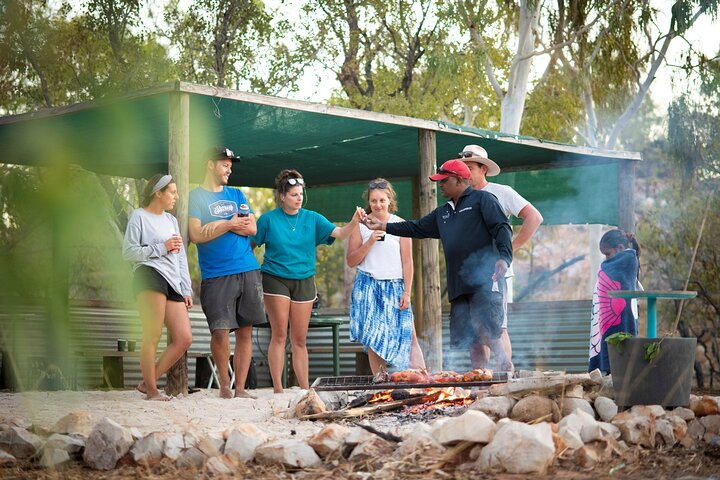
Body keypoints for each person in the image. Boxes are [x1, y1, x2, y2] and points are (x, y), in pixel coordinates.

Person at [363, 160, 513, 370]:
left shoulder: (483, 199)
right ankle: (481, 384)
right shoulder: (443, 212)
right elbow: (415, 227)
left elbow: (502, 227)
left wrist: (504, 258)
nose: (440, 185)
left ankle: (505, 367)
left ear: (460, 179)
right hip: (458, 283)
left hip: (485, 278)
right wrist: (382, 226)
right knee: (472, 340)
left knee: (487, 329)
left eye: (444, 181)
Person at [252, 169, 364, 393]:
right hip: (275, 279)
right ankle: (278, 389)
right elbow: (249, 247)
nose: (299, 198)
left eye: (301, 194)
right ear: (282, 196)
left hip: (304, 280)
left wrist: (354, 222)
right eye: (293, 194)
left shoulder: (312, 218)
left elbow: (341, 233)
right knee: (280, 334)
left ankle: (304, 390)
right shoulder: (267, 220)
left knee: (300, 339)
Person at [188, 147, 265, 399]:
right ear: (210, 164)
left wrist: (218, 226)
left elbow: (252, 228)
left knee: (246, 330)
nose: (229, 169)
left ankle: (240, 389)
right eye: (225, 164)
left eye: (231, 165)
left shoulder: (236, 193)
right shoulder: (195, 197)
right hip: (216, 274)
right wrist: (230, 224)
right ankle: (224, 386)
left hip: (248, 268)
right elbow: (197, 234)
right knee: (220, 331)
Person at [460, 144, 544, 372]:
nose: (465, 172)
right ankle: (481, 385)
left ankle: (504, 380)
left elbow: (534, 217)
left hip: (494, 272)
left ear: (483, 169)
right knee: (474, 335)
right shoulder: (460, 196)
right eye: (462, 167)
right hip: (468, 274)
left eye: (470, 167)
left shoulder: (501, 192)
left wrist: (509, 251)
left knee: (497, 328)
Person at [122, 173, 193, 401]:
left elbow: (180, 256)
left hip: (173, 281)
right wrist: (161, 248)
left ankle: (146, 383)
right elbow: (128, 252)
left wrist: (186, 288)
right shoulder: (139, 217)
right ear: (158, 193)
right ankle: (153, 391)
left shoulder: (171, 221)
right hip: (149, 275)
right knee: (152, 334)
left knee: (184, 337)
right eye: (172, 192)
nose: (176, 196)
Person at [346, 178, 426, 373]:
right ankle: (380, 382)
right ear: (369, 201)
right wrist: (370, 242)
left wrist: (407, 292)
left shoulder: (400, 225)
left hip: (395, 286)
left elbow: (408, 262)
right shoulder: (361, 225)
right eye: (374, 201)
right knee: (374, 338)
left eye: (382, 200)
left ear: (390, 200)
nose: (378, 205)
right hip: (369, 286)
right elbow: (351, 260)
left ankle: (424, 378)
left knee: (408, 333)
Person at [589, 229, 641, 374]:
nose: (606, 260)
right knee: (609, 344)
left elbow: (609, 272)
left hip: (622, 316)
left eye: (607, 254)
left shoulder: (629, 259)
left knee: (621, 346)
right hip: (607, 317)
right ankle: (608, 374)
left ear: (620, 248)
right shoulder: (616, 260)